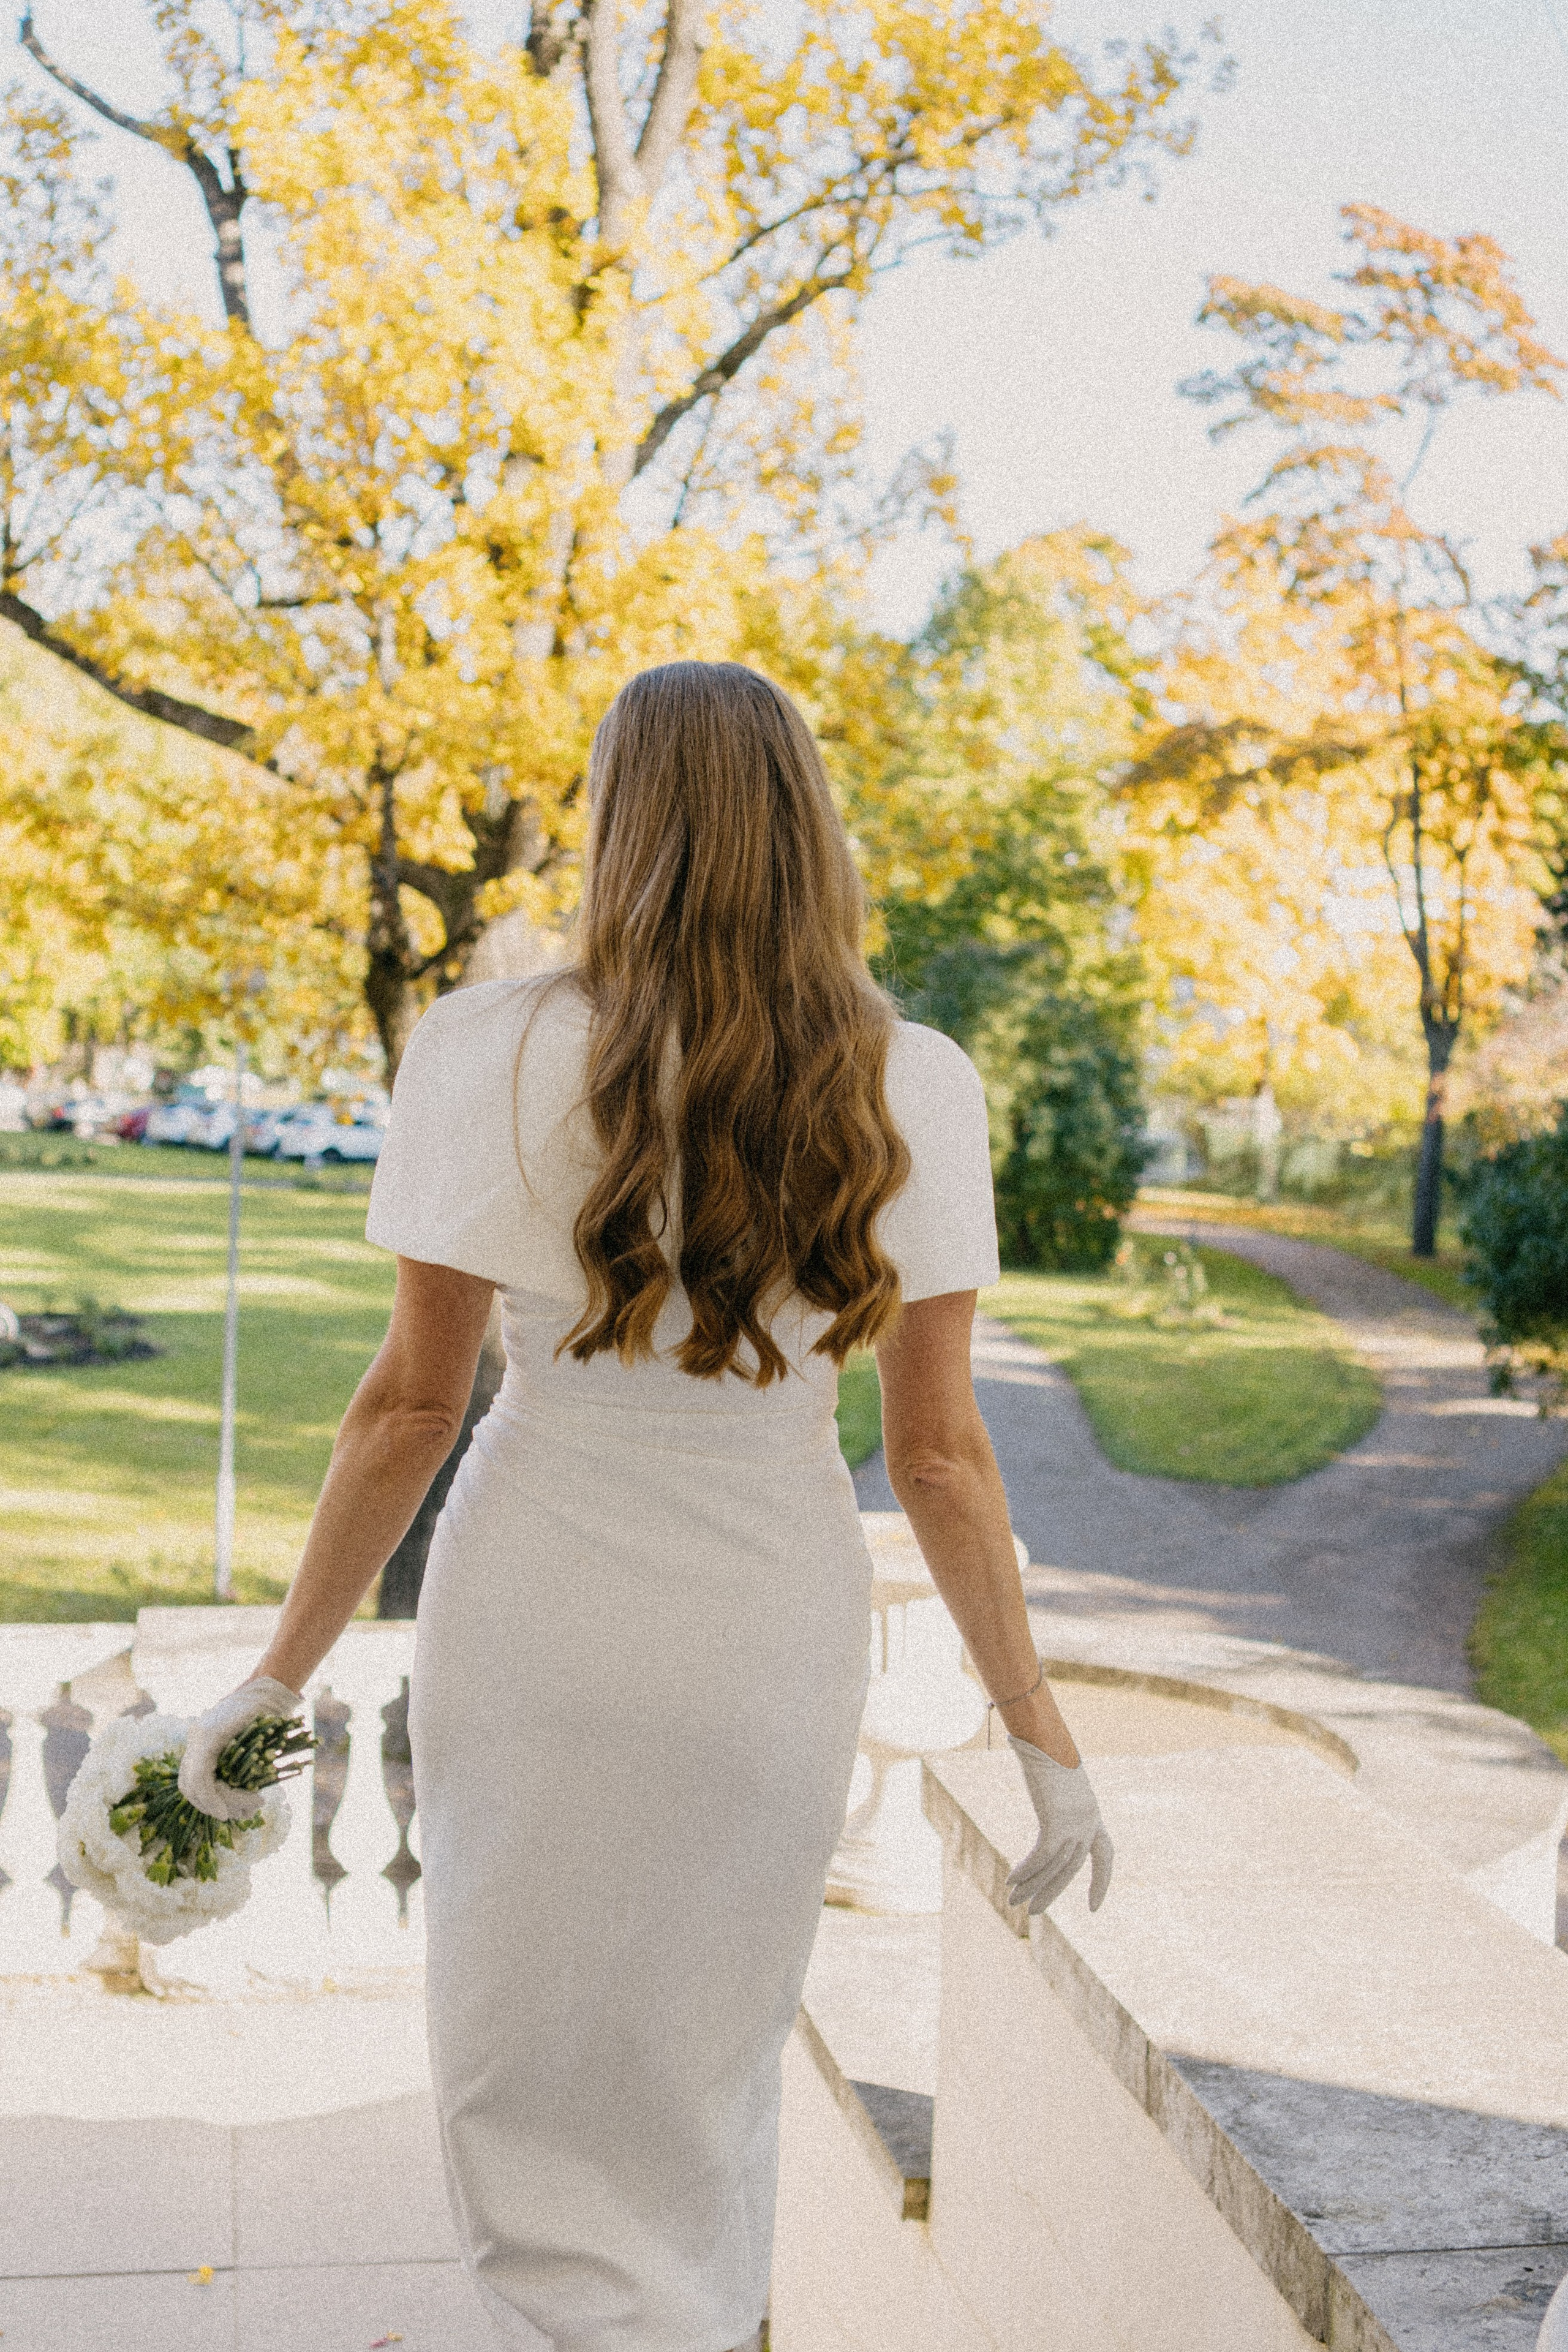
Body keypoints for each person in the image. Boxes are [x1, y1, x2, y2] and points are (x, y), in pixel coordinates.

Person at [179, 661, 1112, 2352]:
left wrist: (277, 1681)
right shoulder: (922, 1082)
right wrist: (1037, 1729)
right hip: (766, 1640)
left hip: (535, 1619)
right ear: (806, 830)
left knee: (522, 2081)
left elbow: (408, 1409)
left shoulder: (483, 1049)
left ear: (623, 829)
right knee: (706, 2091)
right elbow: (940, 1458)